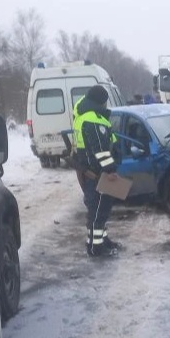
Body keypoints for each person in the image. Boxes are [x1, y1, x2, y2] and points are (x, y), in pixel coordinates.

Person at [72, 85, 121, 257]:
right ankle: (95, 247)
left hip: (91, 173)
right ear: (101, 101)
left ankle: (101, 240)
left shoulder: (84, 116)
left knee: (99, 210)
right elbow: (100, 149)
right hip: (99, 175)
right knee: (99, 211)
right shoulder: (94, 119)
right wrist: (110, 169)